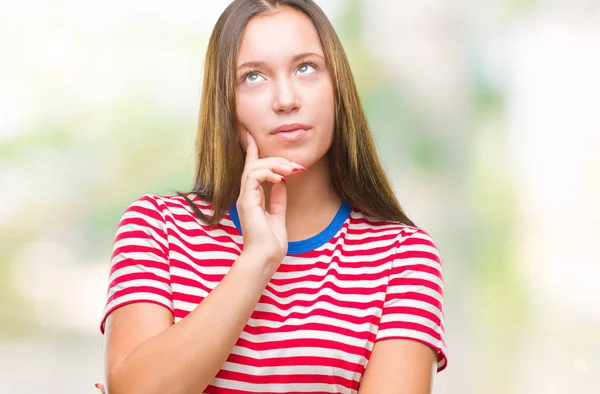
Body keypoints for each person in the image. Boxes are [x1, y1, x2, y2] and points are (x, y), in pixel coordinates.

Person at [97, 0, 447, 393]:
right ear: (225, 106)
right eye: (253, 77)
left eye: (306, 68)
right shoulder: (157, 227)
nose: (286, 99)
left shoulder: (401, 257)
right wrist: (256, 261)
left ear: (338, 89)